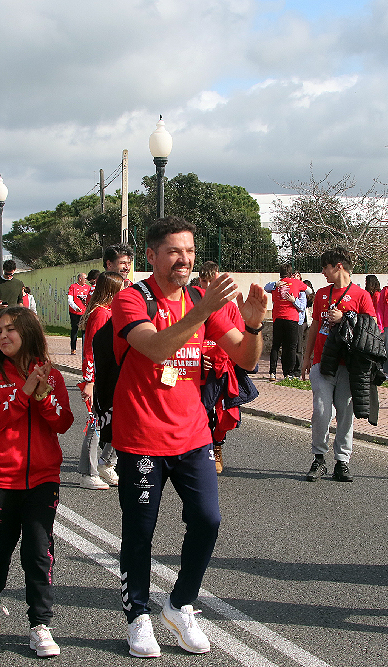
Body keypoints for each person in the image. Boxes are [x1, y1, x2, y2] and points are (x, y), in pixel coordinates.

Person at [110, 217, 265, 657]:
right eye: (175, 251)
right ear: (152, 256)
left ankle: (180, 604)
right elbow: (155, 347)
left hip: (192, 434)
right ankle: (138, 614)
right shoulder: (131, 299)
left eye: (190, 252)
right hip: (141, 437)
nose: (185, 260)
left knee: (208, 519)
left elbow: (246, 358)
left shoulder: (202, 299)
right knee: (140, 530)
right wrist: (199, 312)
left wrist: (254, 325)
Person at [0, 307, 73, 657]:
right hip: (0, 478)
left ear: (28, 332)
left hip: (43, 479)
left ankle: (40, 625)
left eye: (11, 329)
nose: (3, 336)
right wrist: (22, 394)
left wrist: (44, 396)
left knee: (38, 550)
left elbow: (63, 423)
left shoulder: (52, 375)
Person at [300, 248, 378, 482]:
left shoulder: (361, 295)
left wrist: (344, 319)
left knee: (345, 413)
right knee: (321, 412)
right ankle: (319, 458)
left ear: (339, 266)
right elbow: (314, 326)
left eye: (326, 267)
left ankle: (342, 461)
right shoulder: (322, 294)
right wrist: (306, 357)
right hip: (323, 363)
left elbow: (371, 328)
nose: (323, 272)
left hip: (348, 364)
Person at [199, 261, 255, 475]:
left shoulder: (230, 307)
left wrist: (218, 359)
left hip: (221, 368)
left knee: (224, 413)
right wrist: (199, 356)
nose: (207, 286)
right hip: (197, 370)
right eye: (204, 281)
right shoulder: (194, 305)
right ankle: (201, 451)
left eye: (210, 281)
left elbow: (239, 340)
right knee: (199, 413)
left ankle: (217, 446)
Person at [76, 271, 123, 490]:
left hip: (113, 378)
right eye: (120, 288)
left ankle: (106, 461)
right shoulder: (101, 314)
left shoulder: (110, 312)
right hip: (99, 381)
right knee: (96, 424)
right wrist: (90, 381)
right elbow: (91, 351)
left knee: (118, 420)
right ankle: (88, 472)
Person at [263, 264, 307, 381]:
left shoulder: (275, 285)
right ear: (291, 273)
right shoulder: (296, 283)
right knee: (291, 347)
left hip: (278, 318)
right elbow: (309, 290)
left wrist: (275, 285)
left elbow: (265, 288)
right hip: (291, 318)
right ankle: (289, 373)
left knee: (276, 346)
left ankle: (272, 372)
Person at [67, 273, 91, 355]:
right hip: (75, 313)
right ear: (80, 279)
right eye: (85, 278)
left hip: (84, 313)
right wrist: (75, 307)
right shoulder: (73, 287)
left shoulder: (88, 288)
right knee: (74, 330)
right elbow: (70, 300)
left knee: (85, 331)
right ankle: (73, 348)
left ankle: (85, 349)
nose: (86, 280)